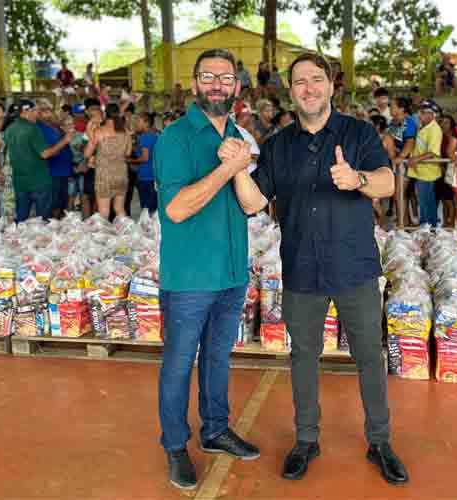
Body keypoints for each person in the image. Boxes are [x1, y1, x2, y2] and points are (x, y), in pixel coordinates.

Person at [230, 51, 407, 485]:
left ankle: (380, 440)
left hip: (355, 266)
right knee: (304, 355)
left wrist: (359, 180)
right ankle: (307, 439)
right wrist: (234, 167)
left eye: (316, 79)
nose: (308, 88)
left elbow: (388, 182)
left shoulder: (359, 133)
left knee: (368, 355)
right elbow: (253, 202)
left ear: (330, 86)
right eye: (299, 82)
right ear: (290, 92)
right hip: (302, 267)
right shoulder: (278, 145)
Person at [154, 48, 260, 491]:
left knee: (218, 357)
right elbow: (177, 209)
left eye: (226, 77)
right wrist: (227, 166)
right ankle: (176, 446)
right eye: (208, 76)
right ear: (194, 85)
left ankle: (215, 430)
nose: (217, 84)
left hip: (232, 272)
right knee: (179, 363)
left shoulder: (240, 135)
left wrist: (239, 166)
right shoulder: (175, 138)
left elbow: (253, 204)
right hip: (191, 277)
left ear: (237, 86)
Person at [4, 100, 74, 223]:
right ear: (26, 111)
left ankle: (21, 240)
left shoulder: (10, 129)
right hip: (38, 180)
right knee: (43, 220)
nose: (38, 114)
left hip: (20, 181)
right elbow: (45, 153)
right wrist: (65, 141)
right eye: (36, 111)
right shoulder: (32, 128)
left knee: (22, 219)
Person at [84, 103, 131, 221]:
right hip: (121, 174)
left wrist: (90, 132)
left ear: (105, 115)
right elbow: (128, 153)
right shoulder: (125, 131)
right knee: (120, 209)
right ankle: (126, 235)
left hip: (104, 175)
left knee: (104, 212)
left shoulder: (100, 131)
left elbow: (87, 153)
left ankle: (104, 238)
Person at [406, 100, 443, 226]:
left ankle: (428, 228)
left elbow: (433, 152)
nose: (419, 115)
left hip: (428, 172)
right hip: (421, 171)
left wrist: (416, 159)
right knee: (425, 201)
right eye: (419, 112)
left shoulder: (434, 129)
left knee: (426, 202)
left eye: (422, 113)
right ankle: (428, 228)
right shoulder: (424, 127)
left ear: (431, 114)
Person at [35, 99, 74, 218]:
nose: (48, 113)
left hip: (63, 170)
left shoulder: (55, 125)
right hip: (51, 172)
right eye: (43, 110)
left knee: (62, 203)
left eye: (49, 109)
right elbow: (45, 152)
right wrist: (65, 140)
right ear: (36, 112)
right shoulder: (38, 128)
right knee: (52, 206)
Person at [388, 96, 418, 224]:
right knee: (398, 194)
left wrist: (400, 158)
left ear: (401, 109)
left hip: (406, 162)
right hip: (397, 162)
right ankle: (404, 222)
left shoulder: (409, 122)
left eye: (393, 106)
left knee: (400, 194)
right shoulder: (393, 122)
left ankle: (404, 224)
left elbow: (410, 142)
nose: (390, 108)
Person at [129, 111, 159, 214]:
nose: (136, 124)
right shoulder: (155, 135)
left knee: (146, 210)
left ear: (146, 123)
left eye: (138, 121)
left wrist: (129, 160)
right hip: (154, 175)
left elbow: (145, 158)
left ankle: (147, 228)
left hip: (146, 177)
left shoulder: (145, 137)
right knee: (153, 208)